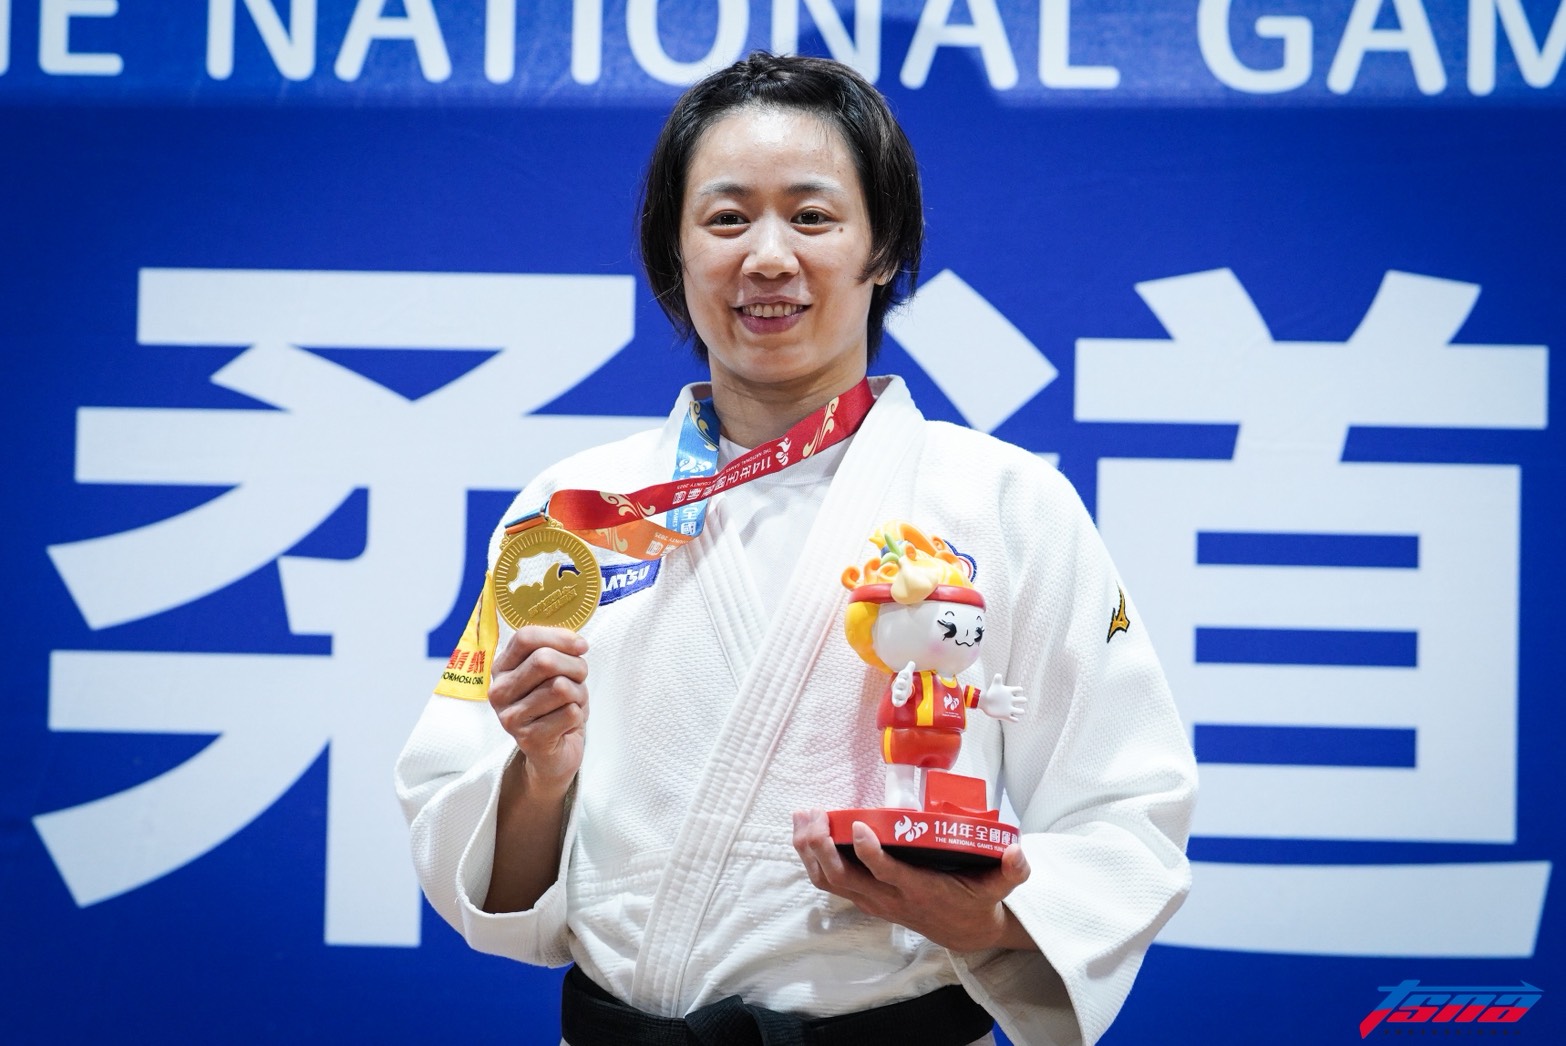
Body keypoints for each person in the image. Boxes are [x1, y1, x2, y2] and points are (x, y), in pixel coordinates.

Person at [396, 52, 1196, 1046]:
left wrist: (985, 922)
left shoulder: (1005, 502)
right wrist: (540, 772)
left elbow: (1126, 799)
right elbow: (492, 883)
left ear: (883, 248)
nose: (768, 257)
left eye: (812, 217)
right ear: (675, 252)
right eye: (727, 219)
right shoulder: (572, 517)